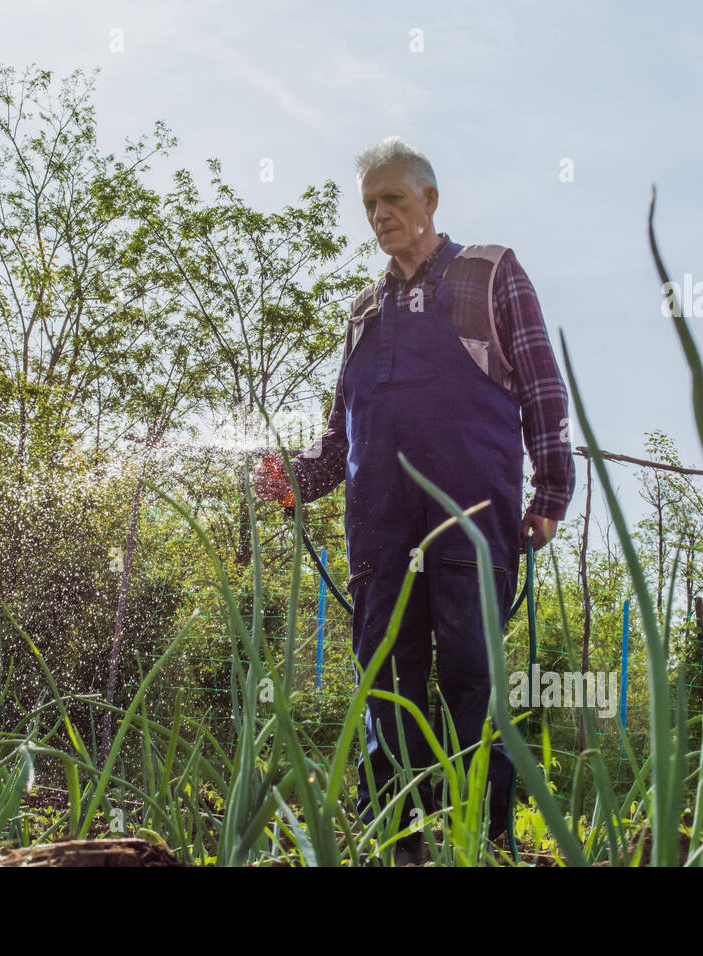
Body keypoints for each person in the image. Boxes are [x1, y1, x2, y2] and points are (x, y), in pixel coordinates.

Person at [252, 136, 575, 864]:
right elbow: (340, 442)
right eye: (370, 203)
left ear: (430, 200)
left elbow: (543, 386)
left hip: (473, 519)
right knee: (388, 687)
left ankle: (479, 841)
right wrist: (293, 482)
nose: (381, 213)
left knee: (471, 678)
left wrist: (552, 490)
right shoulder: (364, 313)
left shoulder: (490, 272)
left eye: (394, 198)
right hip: (380, 532)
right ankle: (398, 843)